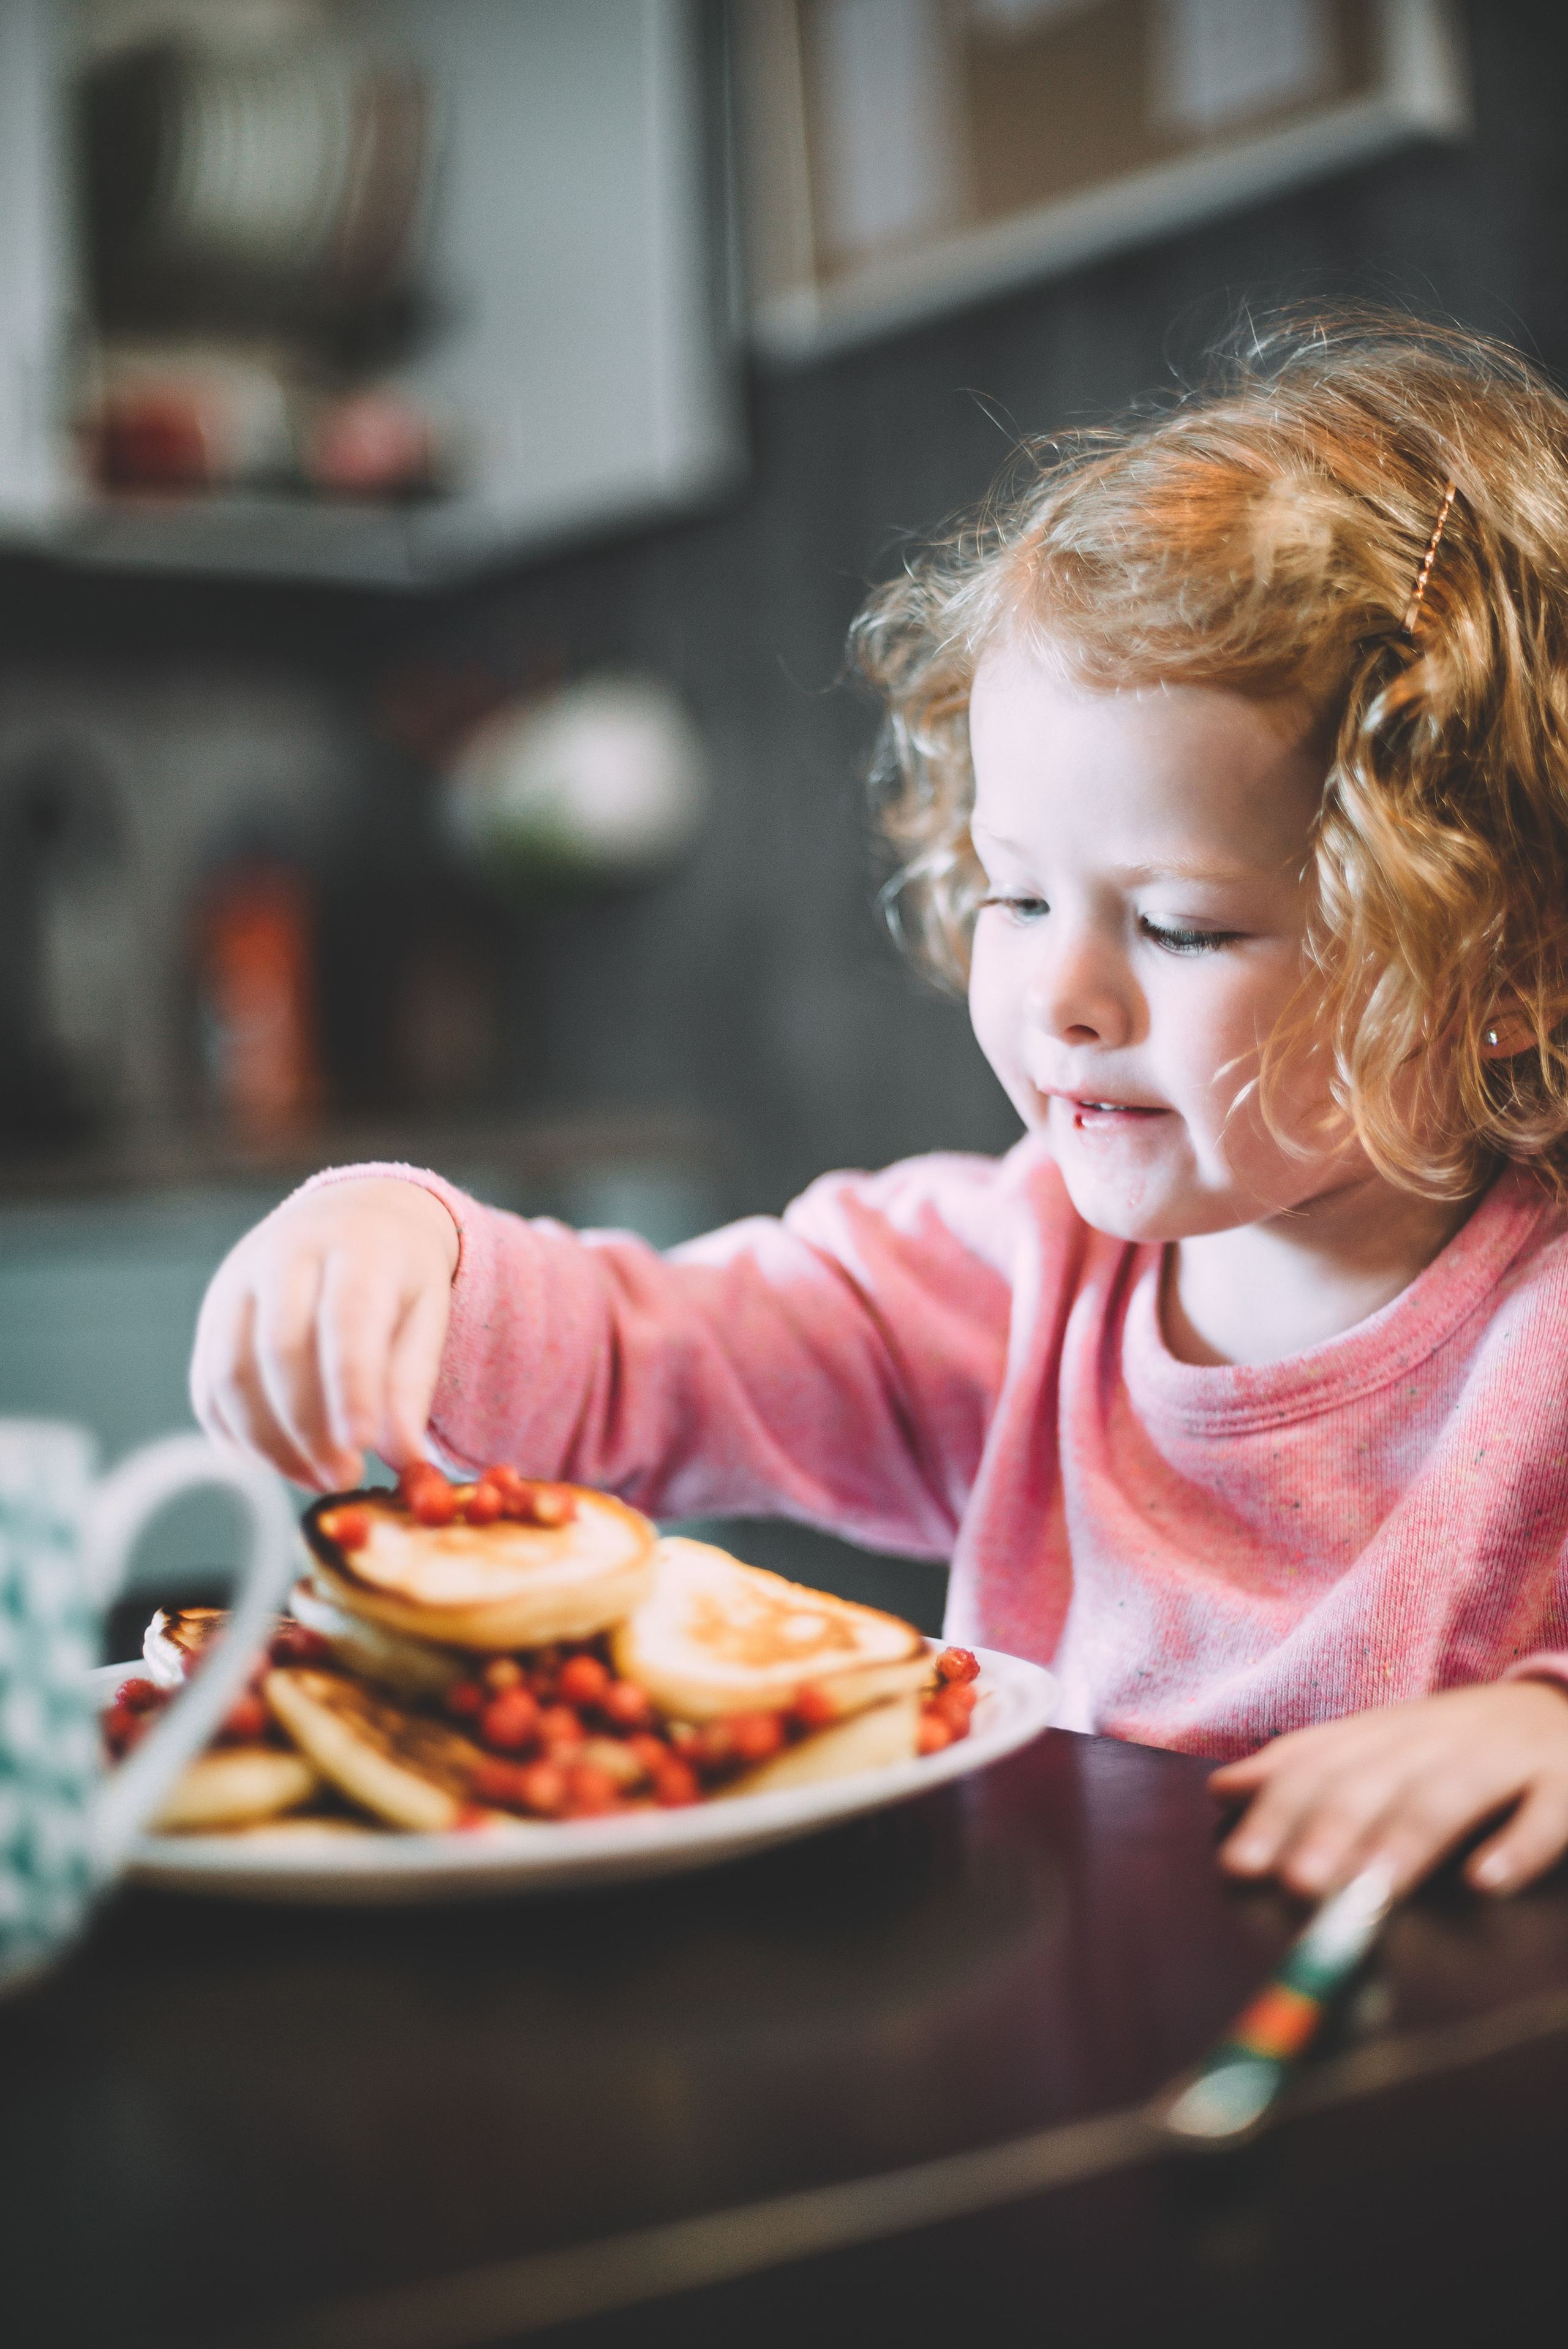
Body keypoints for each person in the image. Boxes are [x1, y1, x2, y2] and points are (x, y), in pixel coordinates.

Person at [191, 311, 1568, 1904]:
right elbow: (667, 1352)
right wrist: (406, 1250)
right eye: (1014, 895)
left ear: (1511, 966)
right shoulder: (1007, 1279)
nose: (1064, 997)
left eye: (1182, 925)